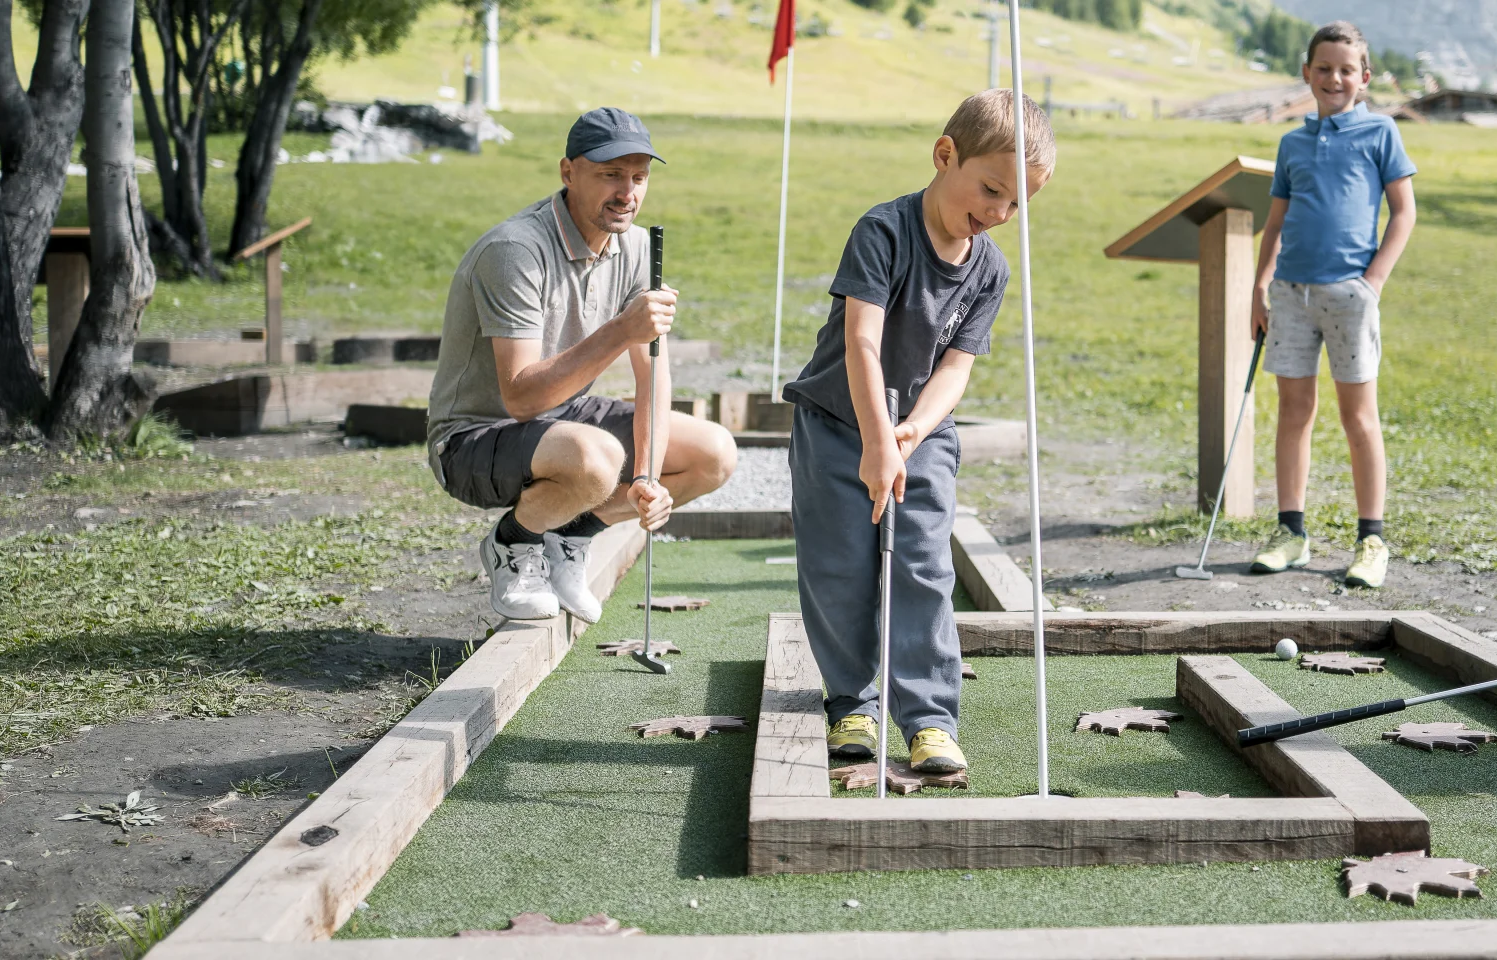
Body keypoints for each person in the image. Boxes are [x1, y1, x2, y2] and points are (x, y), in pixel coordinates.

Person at [784, 90, 1053, 775]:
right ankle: (852, 702)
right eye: (992, 189)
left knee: (923, 569)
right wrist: (877, 438)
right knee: (841, 568)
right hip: (836, 422)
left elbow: (956, 368)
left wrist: (908, 434)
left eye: (1018, 203)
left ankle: (929, 720)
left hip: (919, 434)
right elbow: (863, 344)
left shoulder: (990, 267)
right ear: (944, 155)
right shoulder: (884, 231)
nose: (999, 213)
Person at [426, 107, 737, 623]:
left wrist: (647, 477)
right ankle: (513, 542)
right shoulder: (515, 251)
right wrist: (619, 329)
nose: (627, 192)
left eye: (639, 177)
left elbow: (652, 377)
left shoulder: (635, 246)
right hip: (473, 437)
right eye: (610, 174)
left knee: (715, 453)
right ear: (568, 172)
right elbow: (521, 398)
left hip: (566, 425)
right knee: (596, 459)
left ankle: (572, 534)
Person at [1247, 20, 1417, 589]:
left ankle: (1372, 539)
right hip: (1290, 296)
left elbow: (1404, 212)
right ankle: (1290, 532)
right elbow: (1275, 223)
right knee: (1293, 413)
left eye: (1347, 70)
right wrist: (1260, 286)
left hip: (1351, 295)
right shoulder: (1291, 142)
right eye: (1324, 69)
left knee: (1357, 418)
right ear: (1307, 74)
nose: (1335, 78)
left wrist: (1373, 282)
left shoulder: (1381, 134)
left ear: (1364, 78)